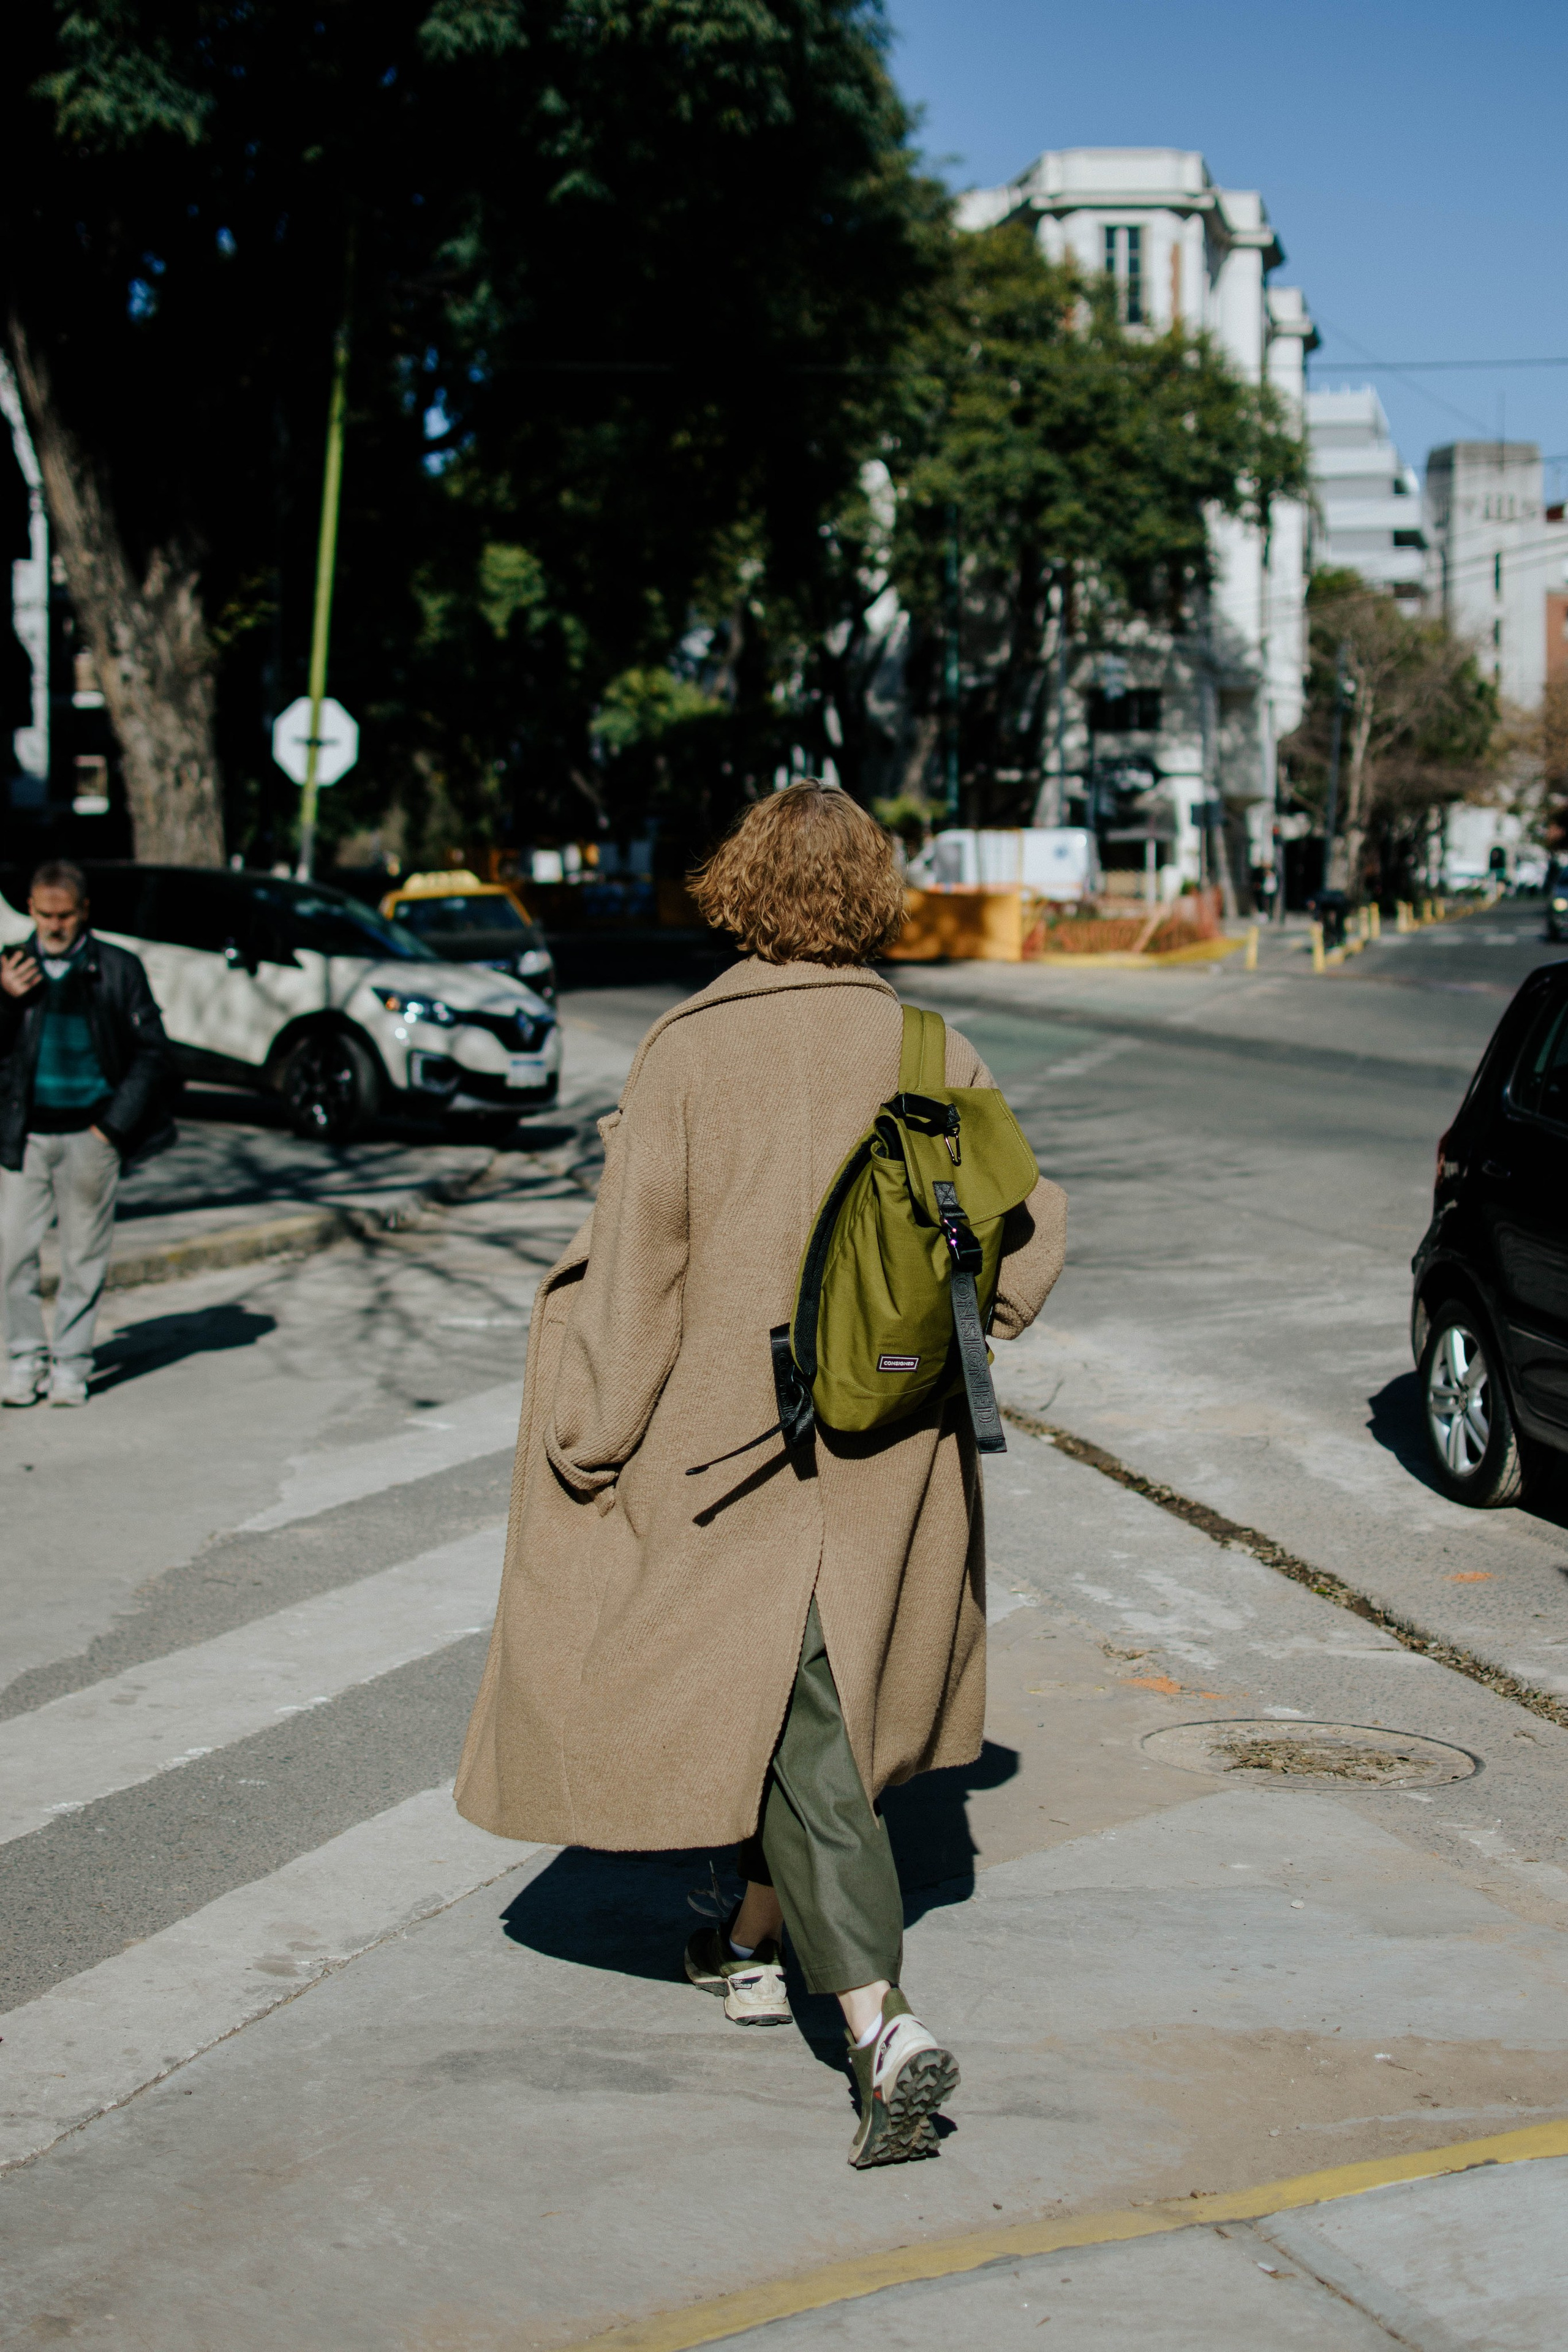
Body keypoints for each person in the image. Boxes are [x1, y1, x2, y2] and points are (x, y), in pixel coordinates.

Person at [456, 783, 1067, 2169]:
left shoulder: (684, 1049)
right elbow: (1025, 1243)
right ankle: (739, 1939)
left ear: (736, 884)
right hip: (886, 1442)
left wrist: (590, 1432)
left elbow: (637, 1273)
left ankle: (877, 2021)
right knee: (809, 1696)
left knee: (795, 1709)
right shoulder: (927, 1039)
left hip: (719, 1445)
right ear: (868, 892)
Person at [0, 858, 172, 1407]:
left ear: (84, 912)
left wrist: (112, 1128)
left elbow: (152, 1054)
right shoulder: (10, 967)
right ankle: (25, 1358)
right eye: (45, 915)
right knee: (13, 1253)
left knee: (82, 1256)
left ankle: (72, 1364)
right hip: (24, 1135)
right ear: (30, 910)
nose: (54, 927)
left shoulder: (117, 969)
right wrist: (2, 998)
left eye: (65, 916)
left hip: (90, 1135)